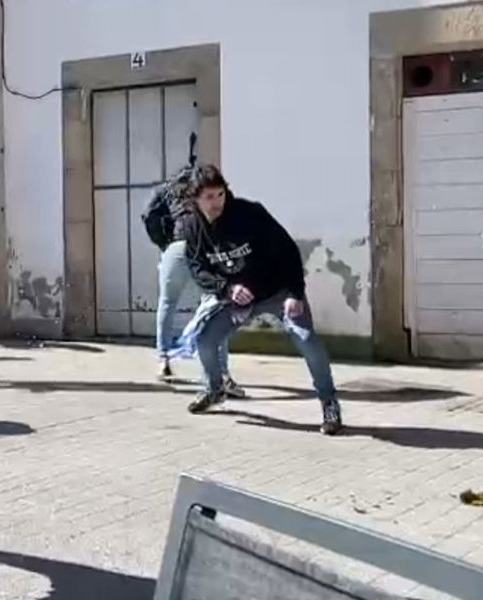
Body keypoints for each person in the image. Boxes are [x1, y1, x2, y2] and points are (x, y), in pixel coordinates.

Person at [180, 164, 343, 434]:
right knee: (205, 340)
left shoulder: (249, 213)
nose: (216, 202)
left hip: (277, 290)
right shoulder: (192, 228)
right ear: (195, 199)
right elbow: (198, 269)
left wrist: (294, 292)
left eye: (220, 194)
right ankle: (214, 390)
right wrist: (226, 288)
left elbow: (288, 249)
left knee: (306, 340)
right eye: (208, 197)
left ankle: (330, 404)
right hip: (235, 298)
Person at [142, 153, 243, 395]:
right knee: (217, 307)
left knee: (168, 302)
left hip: (177, 246)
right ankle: (222, 371)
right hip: (206, 247)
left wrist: (164, 243)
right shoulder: (212, 191)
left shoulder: (167, 189)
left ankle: (163, 359)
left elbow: (148, 215)